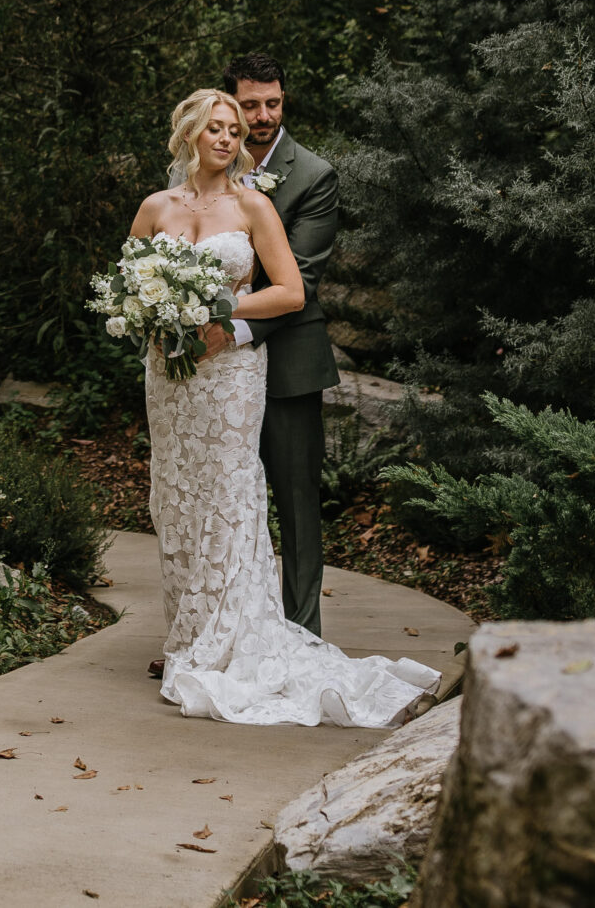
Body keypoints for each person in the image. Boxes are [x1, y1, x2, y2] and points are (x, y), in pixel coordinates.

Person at [128, 85, 435, 726]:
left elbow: (291, 293)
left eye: (234, 131)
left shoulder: (253, 205)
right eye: (216, 128)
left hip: (231, 374)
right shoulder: (155, 207)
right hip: (169, 378)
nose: (227, 139)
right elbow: (131, 289)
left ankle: (234, 639)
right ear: (188, 133)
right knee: (178, 496)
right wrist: (153, 318)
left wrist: (218, 309)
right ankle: (187, 634)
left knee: (229, 493)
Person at [226, 52, 340, 637]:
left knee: (295, 504)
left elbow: (300, 278)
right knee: (220, 501)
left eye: (272, 103)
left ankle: (302, 633)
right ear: (231, 104)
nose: (263, 115)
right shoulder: (202, 168)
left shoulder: (314, 175)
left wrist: (228, 327)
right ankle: (220, 632)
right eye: (250, 105)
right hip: (212, 372)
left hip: (288, 362)